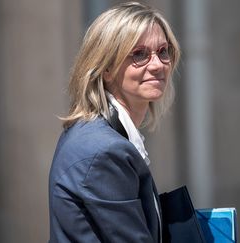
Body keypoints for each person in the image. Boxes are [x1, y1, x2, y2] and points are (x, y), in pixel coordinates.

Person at [48, 2, 180, 242]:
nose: (157, 64)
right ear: (106, 67)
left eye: (163, 51)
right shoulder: (104, 151)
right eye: (139, 54)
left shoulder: (99, 135)